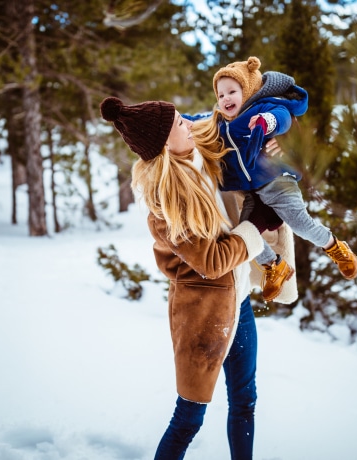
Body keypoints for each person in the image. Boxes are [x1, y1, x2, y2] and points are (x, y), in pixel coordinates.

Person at [100, 96, 280, 459]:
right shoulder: (167, 203)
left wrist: (266, 142)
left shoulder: (198, 150)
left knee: (245, 400)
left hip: (239, 301)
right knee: (188, 418)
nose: (189, 124)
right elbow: (213, 261)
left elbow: (230, 128)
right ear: (166, 143)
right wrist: (256, 225)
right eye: (180, 123)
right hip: (203, 316)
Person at [185, 56, 357, 302]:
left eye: (232, 92)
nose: (225, 99)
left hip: (279, 182)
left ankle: (335, 247)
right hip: (255, 194)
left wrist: (268, 123)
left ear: (246, 90)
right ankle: (275, 266)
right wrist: (173, 117)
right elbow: (194, 120)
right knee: (244, 234)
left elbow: (283, 116)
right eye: (221, 95)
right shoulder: (219, 122)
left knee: (301, 224)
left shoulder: (263, 107)